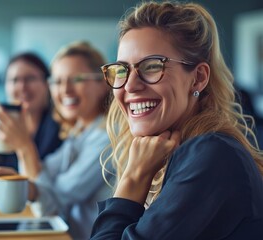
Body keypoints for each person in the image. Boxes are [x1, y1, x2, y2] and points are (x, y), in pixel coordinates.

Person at [90, 2, 263, 239]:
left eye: (152, 66)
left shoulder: (212, 154)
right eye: (122, 70)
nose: (130, 85)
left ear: (198, 78)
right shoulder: (184, 153)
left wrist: (133, 177)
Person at [0, 41, 112, 239]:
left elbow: (54, 205)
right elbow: (44, 174)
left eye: (77, 79)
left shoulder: (107, 138)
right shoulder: (79, 131)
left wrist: (24, 146)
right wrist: (12, 181)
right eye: (57, 81)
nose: (65, 90)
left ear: (103, 83)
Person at [0, 52, 63, 170]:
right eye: (14, 80)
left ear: (47, 83)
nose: (22, 86)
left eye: (30, 78)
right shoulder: (3, 127)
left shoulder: (62, 128)